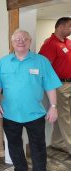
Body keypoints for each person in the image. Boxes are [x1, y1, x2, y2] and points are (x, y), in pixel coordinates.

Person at [0, 29, 62, 171]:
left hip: (35, 114)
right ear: (12, 43)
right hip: (10, 114)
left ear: (30, 41)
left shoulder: (41, 61)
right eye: (17, 39)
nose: (21, 41)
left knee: (38, 149)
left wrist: (53, 106)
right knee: (14, 146)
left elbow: (50, 85)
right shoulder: (3, 62)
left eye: (25, 38)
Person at [39, 17, 71, 155]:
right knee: (65, 117)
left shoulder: (68, 42)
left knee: (65, 116)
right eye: (69, 27)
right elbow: (43, 67)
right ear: (60, 27)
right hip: (60, 85)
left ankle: (58, 142)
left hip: (69, 83)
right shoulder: (50, 44)